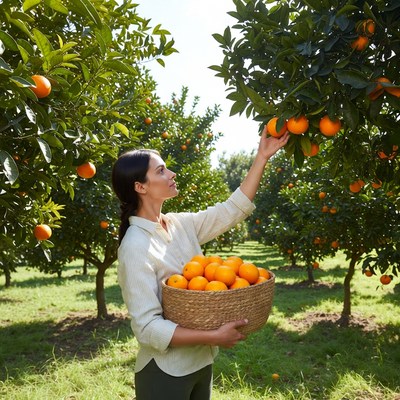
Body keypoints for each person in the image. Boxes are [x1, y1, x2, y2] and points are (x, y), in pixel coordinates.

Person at [111, 126, 289, 400]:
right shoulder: (135, 246)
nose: (171, 175)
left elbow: (232, 209)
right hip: (165, 371)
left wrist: (262, 157)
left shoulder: (180, 224)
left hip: (200, 363)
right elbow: (147, 328)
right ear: (140, 187)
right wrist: (214, 337)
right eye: (160, 171)